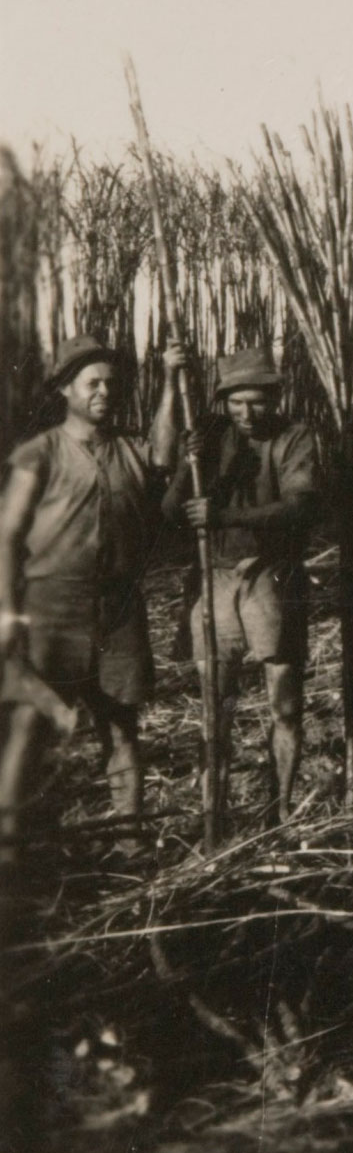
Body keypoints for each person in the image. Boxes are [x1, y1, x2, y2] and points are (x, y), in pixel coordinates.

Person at [0, 335, 185, 846]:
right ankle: (20, 852)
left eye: (111, 383)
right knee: (32, 732)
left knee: (121, 727)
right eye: (92, 383)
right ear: (65, 389)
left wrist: (170, 379)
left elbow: (165, 454)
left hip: (119, 609)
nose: (104, 391)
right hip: (51, 608)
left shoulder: (129, 448)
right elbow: (6, 535)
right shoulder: (40, 454)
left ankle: (130, 841)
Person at [162, 347, 319, 823]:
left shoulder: (295, 437)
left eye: (257, 402)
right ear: (223, 402)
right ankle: (215, 814)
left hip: (272, 575)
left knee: (284, 703)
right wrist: (198, 468)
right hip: (215, 580)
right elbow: (171, 511)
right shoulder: (208, 435)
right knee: (216, 709)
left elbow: (299, 505)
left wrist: (224, 514)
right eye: (236, 404)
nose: (247, 414)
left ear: (274, 398)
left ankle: (283, 808)